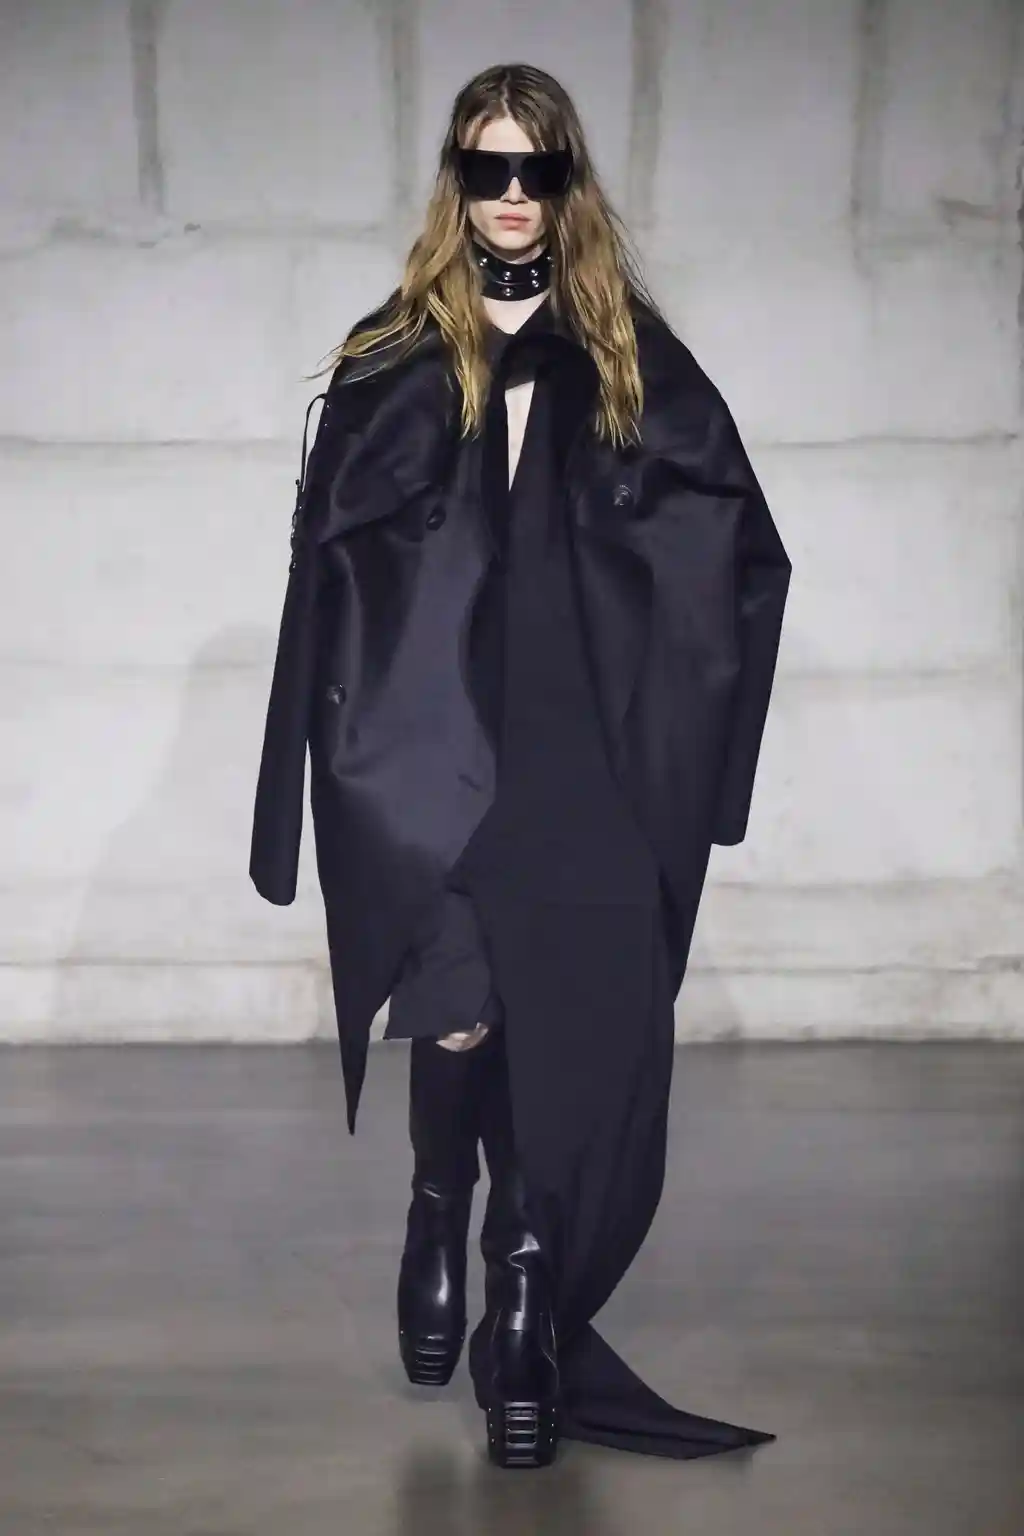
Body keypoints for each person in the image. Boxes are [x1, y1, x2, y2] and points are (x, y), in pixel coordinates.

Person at [250, 62, 791, 1470]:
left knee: (564, 1041)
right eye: (483, 169)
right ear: (455, 181)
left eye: (532, 170)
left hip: (583, 760)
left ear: (566, 185)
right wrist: (310, 770)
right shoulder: (390, 358)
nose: (508, 196)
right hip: (433, 750)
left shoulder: (634, 359)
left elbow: (741, 555)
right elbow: (324, 582)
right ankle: (441, 1200)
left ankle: (528, 1299)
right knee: (462, 1016)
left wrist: (705, 764)